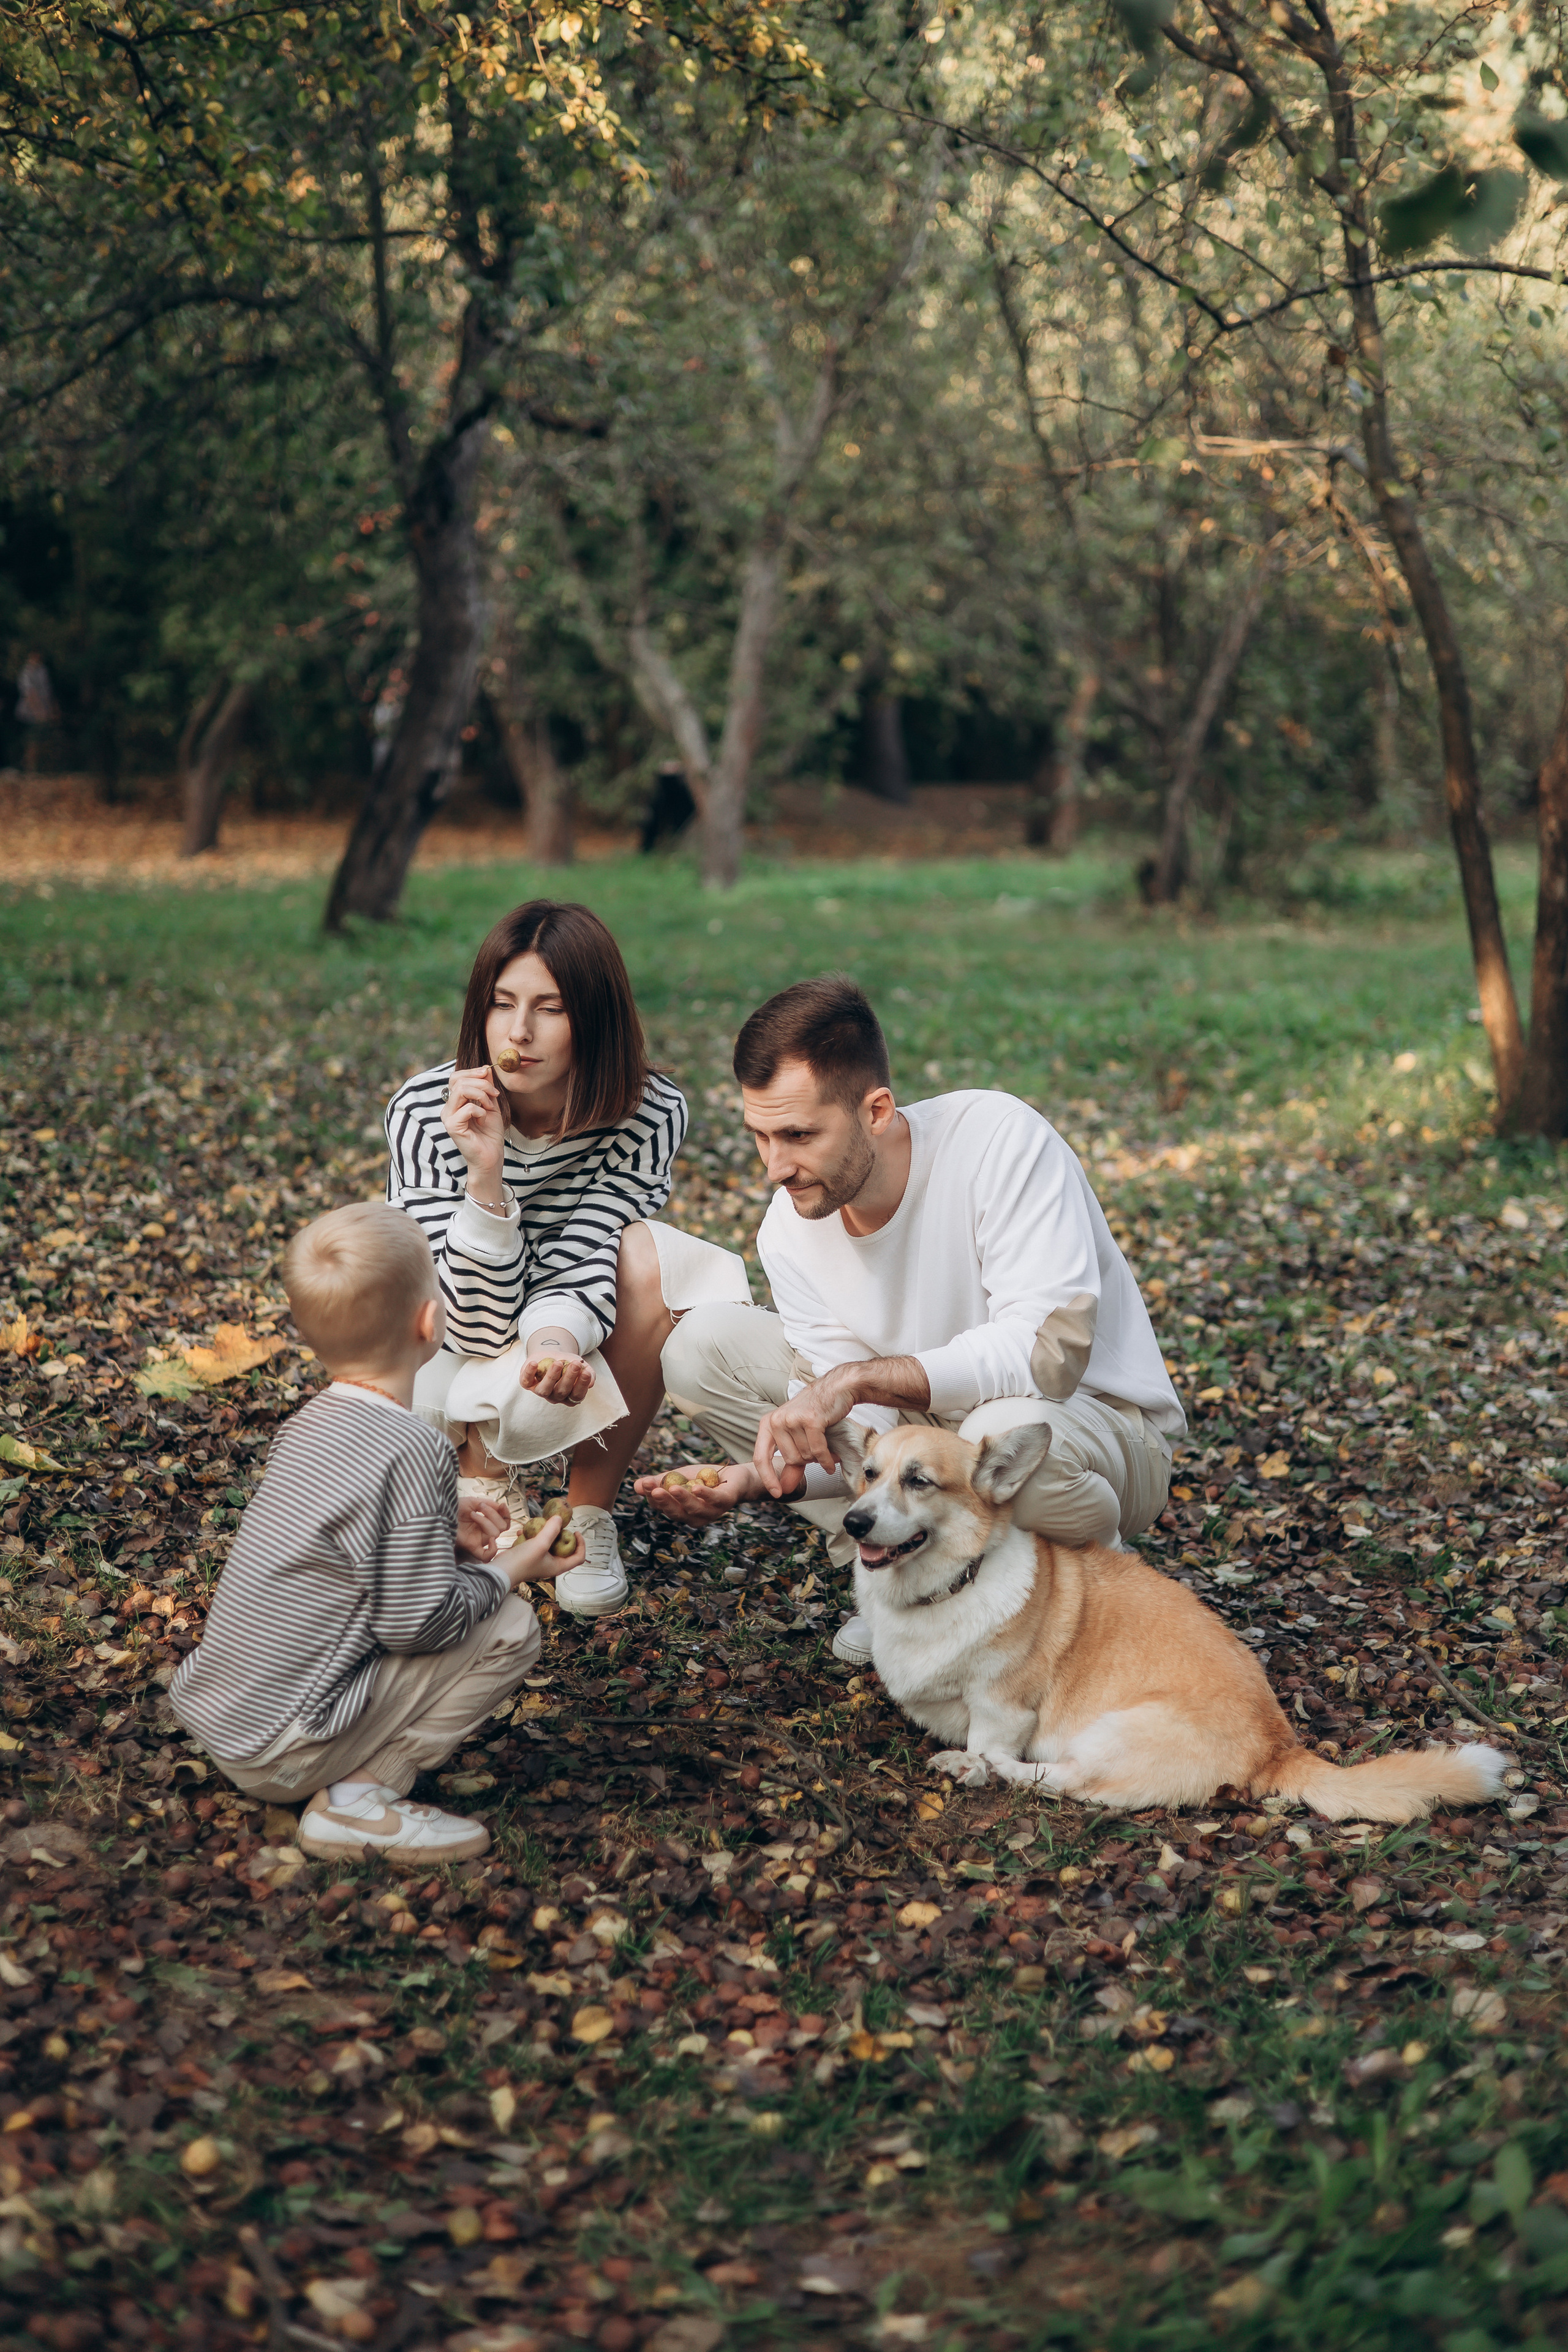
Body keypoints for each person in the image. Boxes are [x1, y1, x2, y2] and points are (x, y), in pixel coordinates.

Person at [635, 976, 1185, 1665]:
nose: (774, 1167)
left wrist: (859, 1380)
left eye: (799, 1135)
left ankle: (1100, 1589)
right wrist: (758, 1479)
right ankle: (899, 1574)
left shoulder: (998, 1140)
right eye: (760, 1136)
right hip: (931, 1447)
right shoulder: (790, 1227)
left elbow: (1049, 1354)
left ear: (876, 1111)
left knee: (994, 1432)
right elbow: (867, 1443)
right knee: (700, 1348)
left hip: (1093, 1431)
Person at [170, 1203, 580, 1860]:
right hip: (285, 1749)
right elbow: (414, 1626)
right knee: (509, 1627)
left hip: (228, 1719)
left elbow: (338, 1545)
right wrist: (511, 1570)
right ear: (430, 1321)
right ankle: (359, 1801)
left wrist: (439, 1529)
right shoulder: (414, 1447)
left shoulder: (308, 1424)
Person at [385, 899, 750, 1618]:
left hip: (576, 1305)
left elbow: (594, 1243)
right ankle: (476, 1477)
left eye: (549, 1008)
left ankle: (587, 1515)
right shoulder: (428, 1111)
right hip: (449, 1331)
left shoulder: (646, 1113)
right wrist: (484, 1178)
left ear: (594, 1017)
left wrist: (554, 1342)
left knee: (650, 1260)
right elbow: (472, 1325)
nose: (518, 1033)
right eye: (501, 1004)